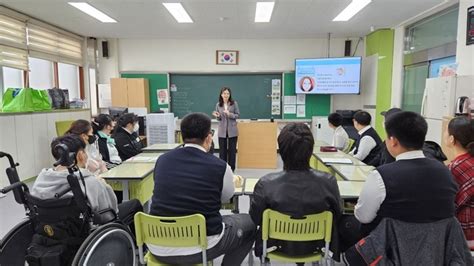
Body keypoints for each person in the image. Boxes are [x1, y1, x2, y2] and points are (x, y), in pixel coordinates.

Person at [149, 113, 255, 265]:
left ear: (181, 137)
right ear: (208, 138)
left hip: (157, 245)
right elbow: (226, 196)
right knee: (249, 223)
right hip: (201, 246)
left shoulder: (162, 160)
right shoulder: (220, 166)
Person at [249, 123, 342, 260]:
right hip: (318, 244)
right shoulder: (329, 182)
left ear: (281, 151)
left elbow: (255, 218)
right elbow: (337, 214)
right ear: (311, 151)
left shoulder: (266, 184)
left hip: (275, 244)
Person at [354, 111, 458, 235]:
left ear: (393, 141)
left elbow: (363, 217)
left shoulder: (380, 176)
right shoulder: (445, 171)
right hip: (436, 248)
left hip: (389, 248)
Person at [31, 134, 142, 229]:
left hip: (54, 227)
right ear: (80, 155)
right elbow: (112, 210)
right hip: (85, 227)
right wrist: (103, 184)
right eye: (84, 151)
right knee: (134, 204)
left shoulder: (42, 178)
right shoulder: (88, 181)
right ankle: (138, 246)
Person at [446, 116, 474, 249]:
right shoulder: (468, 161)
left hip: (466, 232)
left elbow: (449, 203)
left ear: (452, 139)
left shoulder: (456, 167)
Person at [212, 87, 240, 171]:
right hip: (222, 130)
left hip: (232, 130)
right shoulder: (218, 104)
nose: (226, 95)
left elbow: (237, 115)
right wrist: (218, 116)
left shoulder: (234, 103)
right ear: (221, 94)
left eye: (228, 93)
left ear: (230, 94)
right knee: (222, 151)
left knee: (232, 151)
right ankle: (223, 168)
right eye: (224, 93)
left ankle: (232, 169)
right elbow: (219, 119)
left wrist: (229, 114)